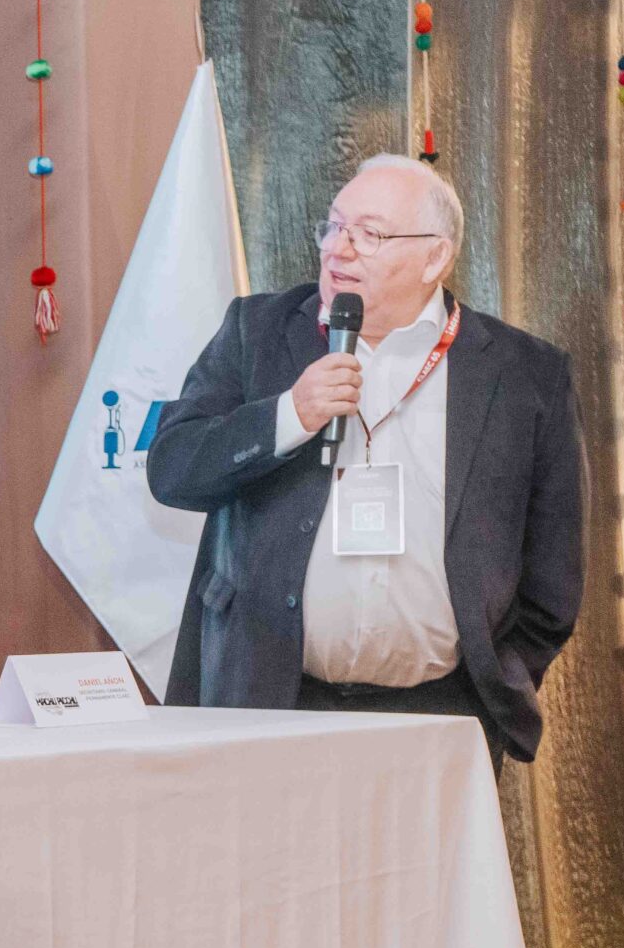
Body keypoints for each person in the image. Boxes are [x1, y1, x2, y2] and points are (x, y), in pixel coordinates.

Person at [146, 154, 584, 768]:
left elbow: (553, 573)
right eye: (333, 227)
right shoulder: (257, 332)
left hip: (442, 718)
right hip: (269, 704)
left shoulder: (525, 373)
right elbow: (173, 470)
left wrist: (499, 678)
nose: (338, 249)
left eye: (368, 234)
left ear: (435, 258)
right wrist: (290, 415)